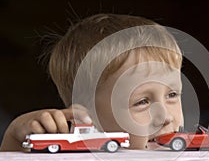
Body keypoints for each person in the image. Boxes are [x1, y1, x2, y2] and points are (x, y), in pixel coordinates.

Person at [0, 13, 184, 151]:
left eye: (172, 95)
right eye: (142, 101)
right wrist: (15, 136)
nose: (166, 117)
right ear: (86, 116)